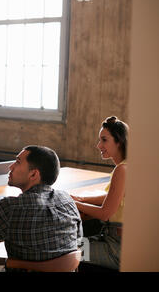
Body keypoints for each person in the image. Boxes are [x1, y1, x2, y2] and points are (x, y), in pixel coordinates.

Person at [71, 116, 128, 271]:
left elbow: (105, 213)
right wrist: (81, 198)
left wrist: (75, 204)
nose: (98, 145)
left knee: (67, 251)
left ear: (119, 141)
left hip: (117, 248)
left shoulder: (122, 170)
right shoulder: (128, 165)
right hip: (118, 240)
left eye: (104, 140)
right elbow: (113, 198)